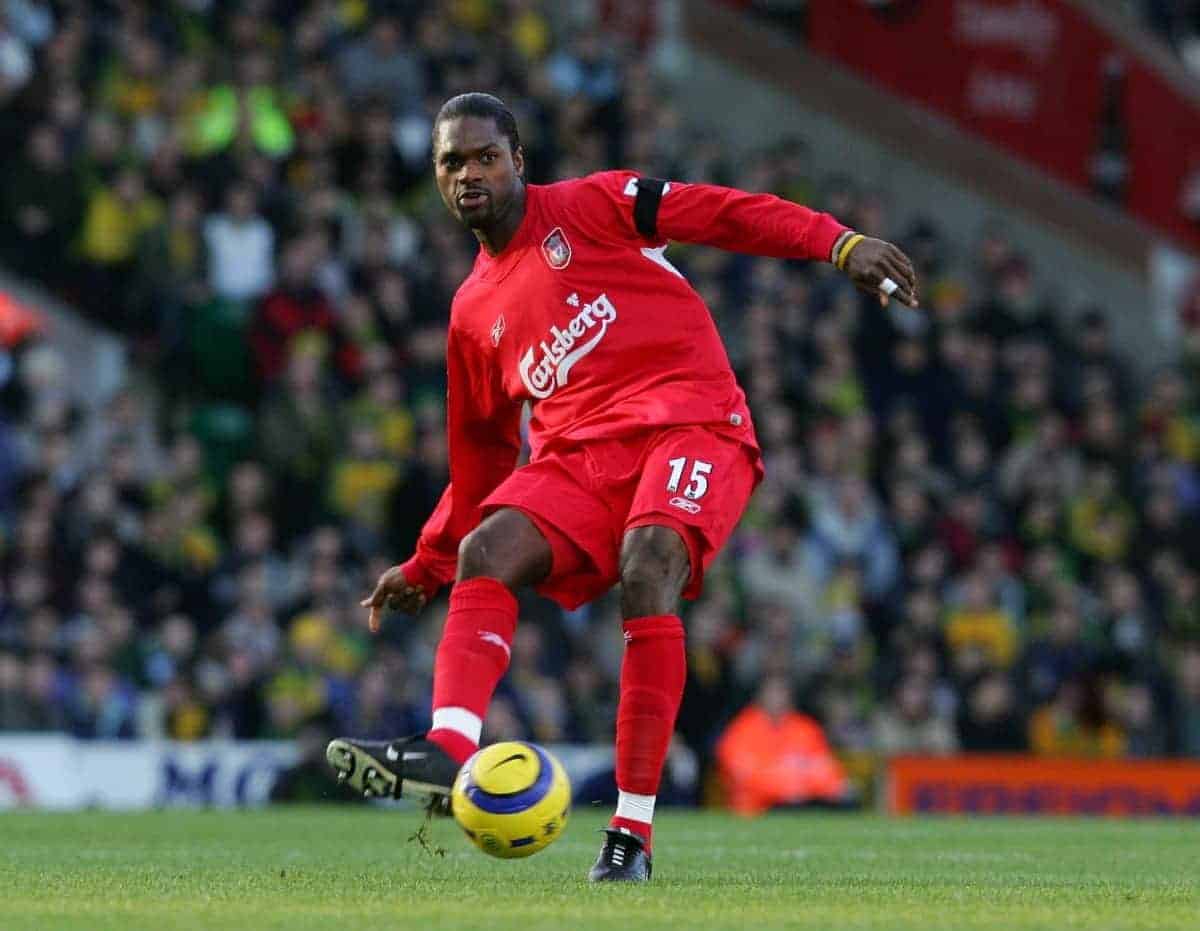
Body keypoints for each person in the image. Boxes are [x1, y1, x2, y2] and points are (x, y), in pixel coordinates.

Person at [327, 92, 918, 882]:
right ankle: (448, 747)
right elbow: (478, 464)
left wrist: (836, 243)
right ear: (436, 179)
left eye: (485, 157)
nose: (470, 174)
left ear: (518, 162)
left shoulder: (595, 205)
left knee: (648, 566)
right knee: (487, 546)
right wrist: (429, 562)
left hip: (694, 421)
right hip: (580, 461)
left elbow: (719, 212)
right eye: (451, 162)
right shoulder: (472, 315)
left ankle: (630, 833)